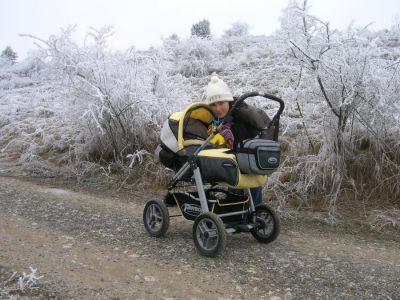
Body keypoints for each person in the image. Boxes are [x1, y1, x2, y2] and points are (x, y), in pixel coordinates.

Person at [203, 74, 273, 206]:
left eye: (221, 103)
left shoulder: (242, 113)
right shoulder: (216, 121)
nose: (218, 108)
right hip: (234, 162)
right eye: (213, 105)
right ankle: (237, 216)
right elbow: (219, 144)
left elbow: (263, 127)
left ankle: (252, 216)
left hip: (250, 160)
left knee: (251, 190)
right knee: (235, 188)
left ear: (228, 101)